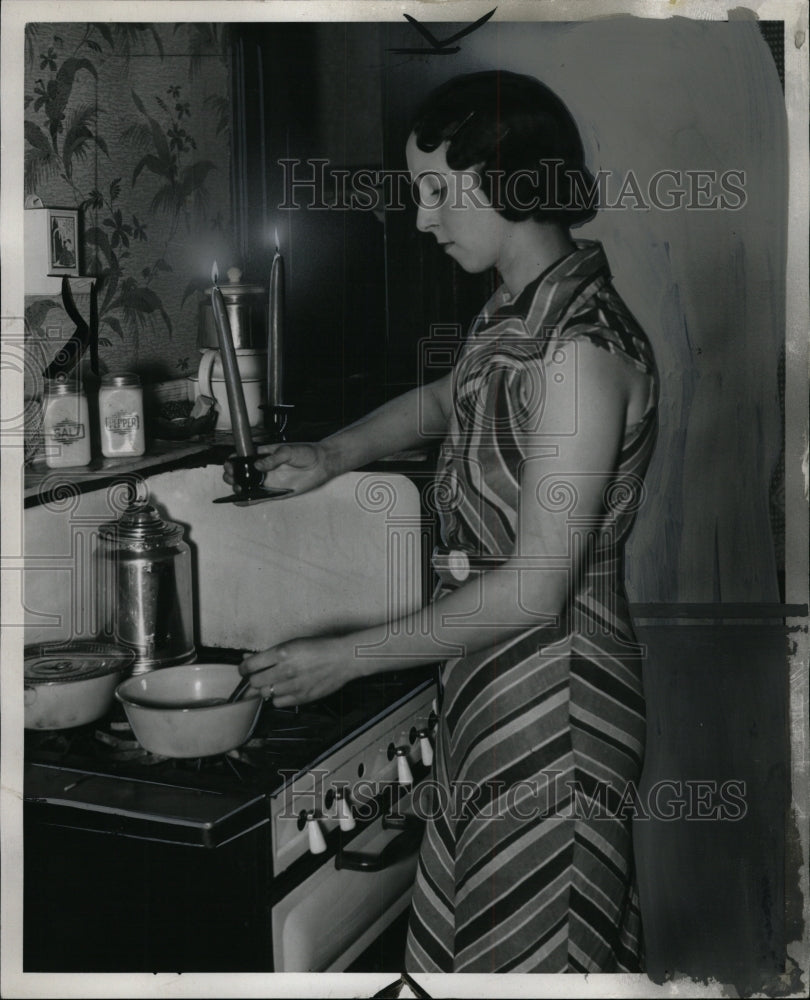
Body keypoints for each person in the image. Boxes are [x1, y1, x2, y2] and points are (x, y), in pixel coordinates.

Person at [225, 70, 658, 974]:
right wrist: (335, 453)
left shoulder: (580, 350)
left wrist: (343, 657)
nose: (421, 218)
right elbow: (446, 397)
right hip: (487, 678)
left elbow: (539, 587)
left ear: (507, 179)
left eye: (436, 191)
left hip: (555, 696)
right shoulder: (518, 312)